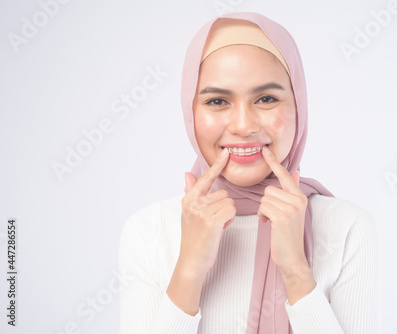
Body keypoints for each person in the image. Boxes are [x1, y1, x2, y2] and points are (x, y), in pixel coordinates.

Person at [119, 12, 379, 334]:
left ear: (299, 105)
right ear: (191, 112)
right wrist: (188, 269)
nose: (243, 126)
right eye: (217, 101)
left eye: (266, 98)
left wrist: (296, 270)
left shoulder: (345, 226)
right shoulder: (149, 231)